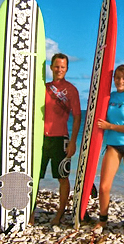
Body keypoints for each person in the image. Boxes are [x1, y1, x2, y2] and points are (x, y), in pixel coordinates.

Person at [95, 64, 124, 234]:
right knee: (104, 186)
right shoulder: (108, 97)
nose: (120, 81)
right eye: (117, 77)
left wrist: (110, 126)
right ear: (113, 78)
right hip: (113, 145)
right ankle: (103, 219)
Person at [42, 53, 83, 226]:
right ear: (51, 67)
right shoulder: (43, 87)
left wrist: (73, 141)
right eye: (56, 66)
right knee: (34, 176)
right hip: (41, 139)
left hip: (61, 138)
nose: (59, 70)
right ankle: (27, 211)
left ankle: (60, 213)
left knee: (62, 177)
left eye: (63, 67)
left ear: (67, 69)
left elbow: (78, 117)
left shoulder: (71, 89)